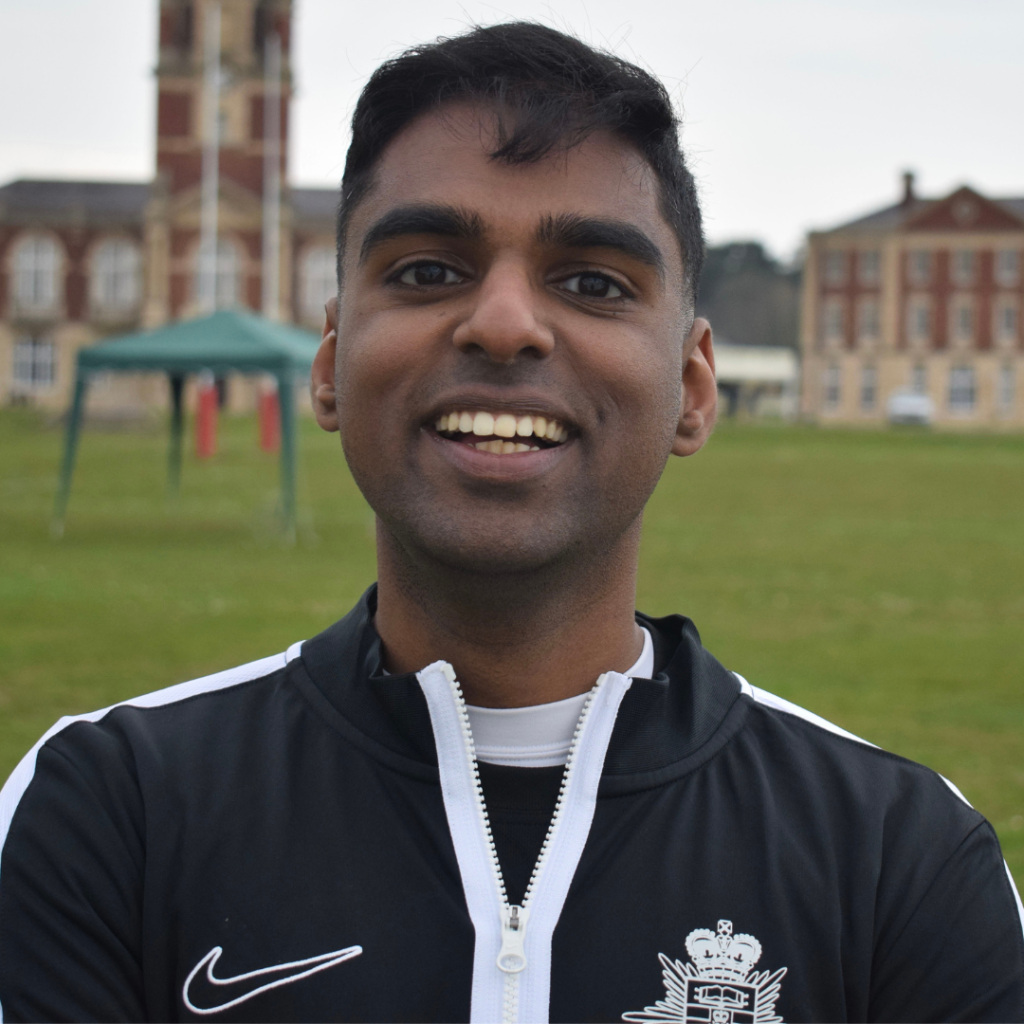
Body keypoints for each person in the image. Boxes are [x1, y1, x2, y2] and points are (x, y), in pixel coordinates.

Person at [1, 21, 1022, 1024]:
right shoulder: (110, 812)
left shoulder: (900, 856)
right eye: (427, 270)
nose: (501, 323)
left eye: (591, 282)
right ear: (329, 365)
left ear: (692, 388)